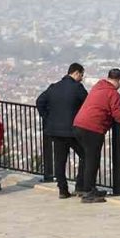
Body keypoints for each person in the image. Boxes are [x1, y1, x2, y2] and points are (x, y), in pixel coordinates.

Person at [72, 68, 120, 204]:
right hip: (92, 128)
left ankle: (85, 188)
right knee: (92, 160)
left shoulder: (98, 86)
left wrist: (118, 102)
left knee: (87, 158)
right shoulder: (113, 93)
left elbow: (103, 103)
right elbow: (119, 117)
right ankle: (88, 192)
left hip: (78, 125)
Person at [36, 63, 88, 198]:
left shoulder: (54, 87)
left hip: (55, 131)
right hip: (73, 130)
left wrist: (47, 117)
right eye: (81, 75)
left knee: (60, 161)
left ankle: (63, 190)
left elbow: (39, 101)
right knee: (86, 155)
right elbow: (88, 104)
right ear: (76, 73)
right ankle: (80, 186)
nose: (82, 78)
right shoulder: (78, 88)